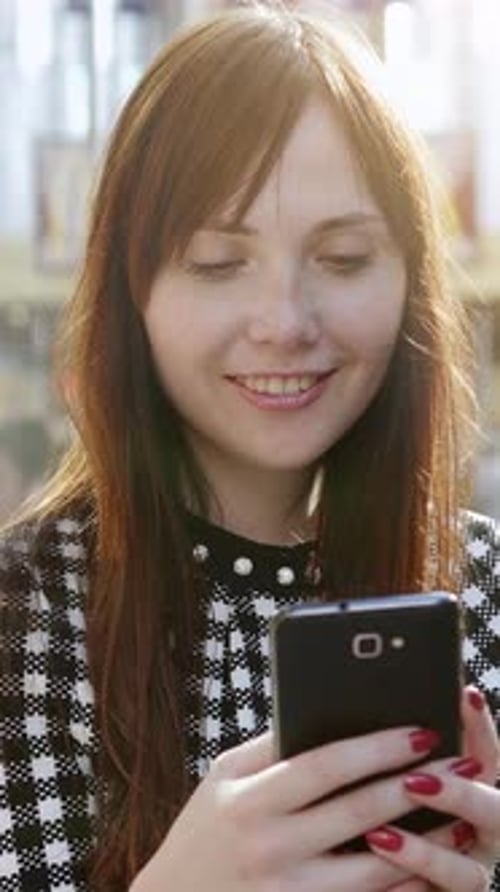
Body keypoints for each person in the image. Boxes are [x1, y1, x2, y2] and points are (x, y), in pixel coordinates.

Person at [0, 4, 499, 891]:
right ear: (133, 291)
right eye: (217, 261)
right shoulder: (19, 614)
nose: (285, 324)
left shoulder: (486, 586)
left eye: (343, 259)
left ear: (410, 281)